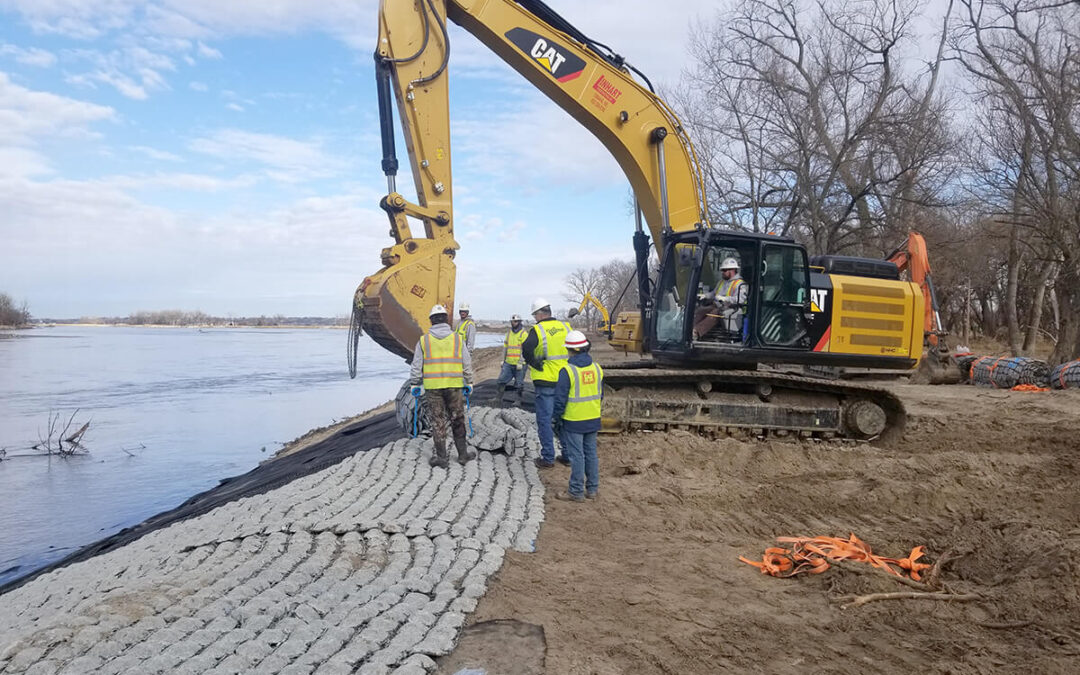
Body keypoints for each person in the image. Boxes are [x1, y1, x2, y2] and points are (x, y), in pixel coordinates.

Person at [409, 304, 476, 468]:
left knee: (438, 421)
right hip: (454, 387)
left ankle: (442, 458)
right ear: (446, 320)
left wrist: (414, 383)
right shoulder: (457, 339)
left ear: (431, 321)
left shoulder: (424, 341)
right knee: (458, 419)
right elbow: (466, 363)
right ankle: (463, 456)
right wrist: (469, 381)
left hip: (433, 389)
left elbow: (416, 366)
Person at [520, 297, 571, 468]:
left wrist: (534, 363)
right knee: (563, 418)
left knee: (545, 420)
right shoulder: (566, 327)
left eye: (535, 315)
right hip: (565, 381)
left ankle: (548, 458)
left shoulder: (538, 330)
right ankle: (568, 455)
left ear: (540, 314)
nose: (535, 318)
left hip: (546, 380)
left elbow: (526, 348)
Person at [552, 330, 603, 502]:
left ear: (570, 350)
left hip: (574, 420)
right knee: (591, 454)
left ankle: (575, 491)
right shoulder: (597, 368)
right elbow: (600, 394)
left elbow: (560, 399)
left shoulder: (567, 371)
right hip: (593, 418)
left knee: (577, 456)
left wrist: (556, 418)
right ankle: (592, 490)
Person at [693, 257, 748, 340]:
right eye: (722, 270)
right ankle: (690, 328)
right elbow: (713, 294)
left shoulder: (740, 284)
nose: (722, 272)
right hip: (717, 305)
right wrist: (705, 295)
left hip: (730, 308)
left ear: (732, 270)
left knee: (714, 313)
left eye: (725, 270)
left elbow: (741, 300)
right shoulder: (721, 282)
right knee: (700, 310)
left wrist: (725, 299)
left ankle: (696, 332)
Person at [495, 314, 527, 407]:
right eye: (512, 321)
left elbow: (525, 350)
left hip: (519, 364)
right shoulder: (509, 333)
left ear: (520, 322)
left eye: (516, 321)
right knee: (501, 380)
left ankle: (518, 400)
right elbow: (505, 347)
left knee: (519, 383)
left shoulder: (523, 334)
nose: (513, 323)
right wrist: (502, 360)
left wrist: (521, 361)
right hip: (508, 363)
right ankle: (498, 398)